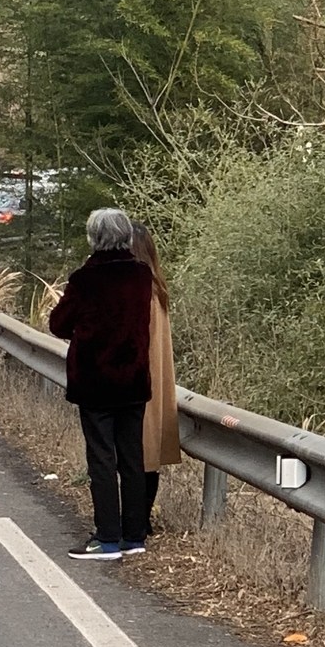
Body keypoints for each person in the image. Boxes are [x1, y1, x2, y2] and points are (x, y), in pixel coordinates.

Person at [47, 206, 153, 560]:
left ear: (94, 237)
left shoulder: (85, 279)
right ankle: (134, 535)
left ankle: (107, 537)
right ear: (126, 235)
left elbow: (59, 324)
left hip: (95, 381)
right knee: (132, 457)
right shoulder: (142, 275)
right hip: (134, 379)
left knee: (102, 458)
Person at [132, 218, 181, 524]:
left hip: (138, 381)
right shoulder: (157, 290)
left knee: (136, 453)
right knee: (148, 454)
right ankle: (142, 517)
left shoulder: (140, 295)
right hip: (155, 382)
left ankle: (136, 520)